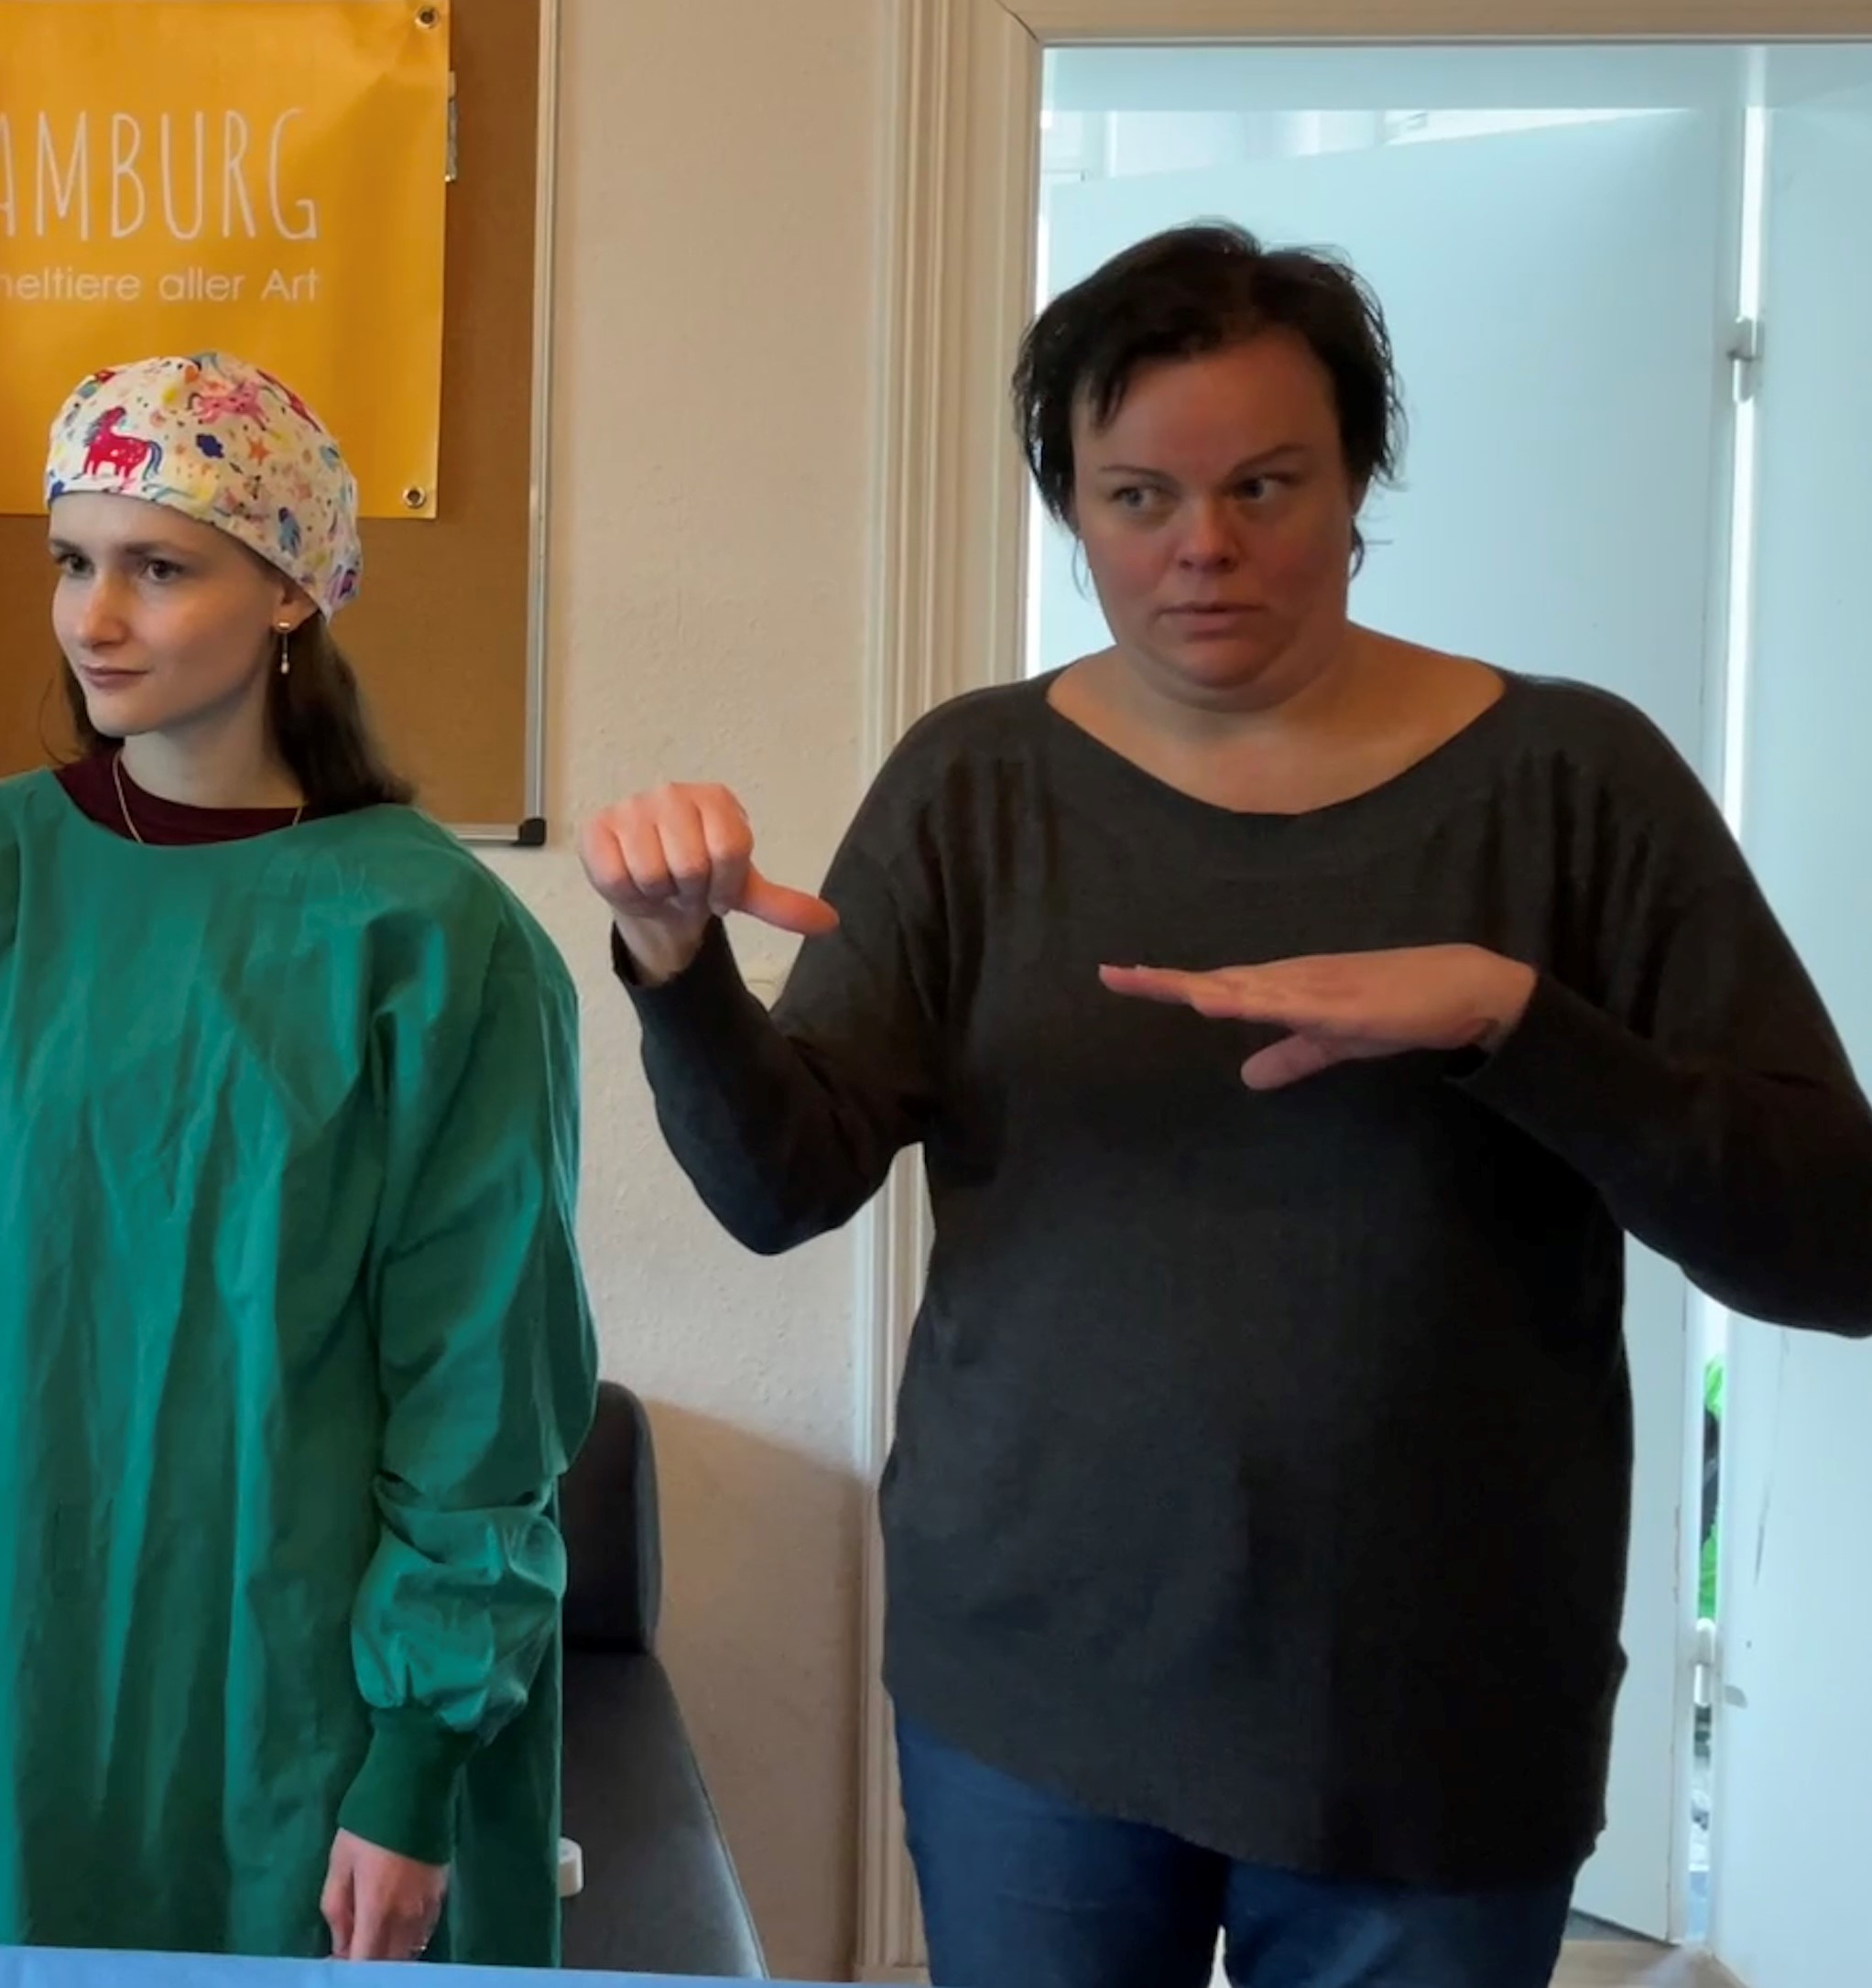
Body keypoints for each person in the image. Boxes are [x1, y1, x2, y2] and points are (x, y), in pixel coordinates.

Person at [581, 220, 1872, 1988]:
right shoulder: (979, 783)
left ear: (1360, 482)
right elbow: (781, 1180)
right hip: (1034, 1687)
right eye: (1135, 498)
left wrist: (1518, 1021)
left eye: (1267, 483)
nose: (1204, 548)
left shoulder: (1577, 782)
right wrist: (676, 970)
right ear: (1073, 507)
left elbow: (1835, 1243)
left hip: (1440, 1704)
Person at [0, 353, 598, 1965]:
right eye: (74, 561)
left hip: (324, 1716)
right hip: (23, 1675)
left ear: (292, 590)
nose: (95, 619)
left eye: (160, 566)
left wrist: (416, 1761)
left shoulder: (432, 939)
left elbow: (483, 1380)